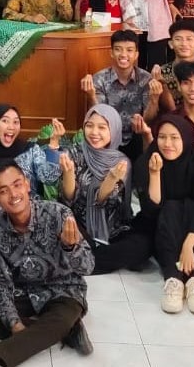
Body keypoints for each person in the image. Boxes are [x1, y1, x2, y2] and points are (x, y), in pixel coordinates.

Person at [0, 161, 95, 366]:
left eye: (17, 185)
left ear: (27, 184)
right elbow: (0, 282)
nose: (13, 194)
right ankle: (66, 331)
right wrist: (14, 325)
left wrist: (71, 248)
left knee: (63, 316)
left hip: (64, 291)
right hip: (23, 292)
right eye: (3, 191)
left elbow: (88, 267)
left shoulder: (58, 214)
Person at [131, 116, 194, 315]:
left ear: (185, 138)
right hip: (159, 226)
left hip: (191, 229)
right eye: (162, 137)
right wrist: (155, 174)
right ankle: (173, 278)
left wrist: (188, 246)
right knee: (171, 208)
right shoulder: (146, 161)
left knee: (188, 207)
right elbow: (151, 211)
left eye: (174, 138)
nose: (167, 144)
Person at [58, 105, 136, 274]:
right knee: (65, 229)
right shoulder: (75, 152)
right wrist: (68, 173)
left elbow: (104, 203)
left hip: (111, 229)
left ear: (113, 130)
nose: (94, 132)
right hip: (78, 224)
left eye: (102, 127)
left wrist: (112, 178)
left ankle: (87, 258)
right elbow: (67, 199)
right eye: (89, 125)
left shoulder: (121, 162)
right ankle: (94, 256)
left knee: (140, 247)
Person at [79, 31, 160, 158]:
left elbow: (148, 120)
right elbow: (99, 115)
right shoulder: (99, 79)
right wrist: (91, 96)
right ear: (111, 52)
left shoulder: (146, 79)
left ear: (136, 54)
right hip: (108, 137)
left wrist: (154, 99)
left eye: (129, 50)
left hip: (136, 136)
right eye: (118, 49)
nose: (123, 54)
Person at [0, 105, 62, 195]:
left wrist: (54, 141)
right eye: (5, 121)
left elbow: (48, 177)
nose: (11, 127)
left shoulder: (31, 150)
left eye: (16, 122)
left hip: (30, 209)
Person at [134, 61, 194, 151]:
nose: (193, 89)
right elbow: (152, 154)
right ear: (179, 86)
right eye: (186, 83)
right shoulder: (167, 120)